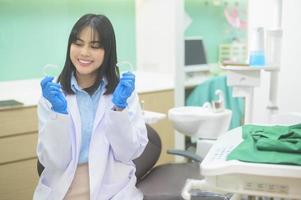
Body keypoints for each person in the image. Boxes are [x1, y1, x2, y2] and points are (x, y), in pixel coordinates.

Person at [33, 14, 148, 200]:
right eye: (78, 43)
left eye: (95, 46)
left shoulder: (123, 92)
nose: (84, 52)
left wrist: (119, 109)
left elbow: (129, 153)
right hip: (63, 188)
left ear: (108, 51)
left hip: (112, 188)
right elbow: (53, 161)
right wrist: (58, 115)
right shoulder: (53, 94)